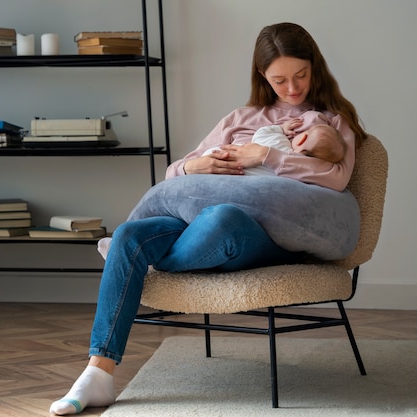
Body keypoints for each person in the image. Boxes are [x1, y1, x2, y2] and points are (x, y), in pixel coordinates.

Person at [50, 22, 366, 415]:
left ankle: (132, 264)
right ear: (262, 77)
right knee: (131, 234)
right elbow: (174, 174)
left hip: (258, 234)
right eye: (279, 79)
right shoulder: (240, 118)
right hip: (194, 223)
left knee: (222, 218)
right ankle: (98, 372)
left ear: (314, 67)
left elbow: (336, 177)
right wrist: (195, 165)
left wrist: (266, 157)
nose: (292, 88)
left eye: (300, 75)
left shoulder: (332, 120)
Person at [200, 112, 347, 176]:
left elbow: (261, 133)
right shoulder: (299, 168)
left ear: (302, 138)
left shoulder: (279, 140)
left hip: (217, 158)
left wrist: (281, 128)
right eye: (280, 80)